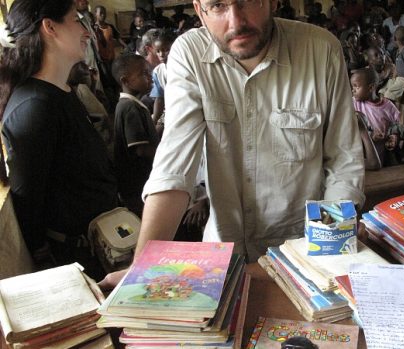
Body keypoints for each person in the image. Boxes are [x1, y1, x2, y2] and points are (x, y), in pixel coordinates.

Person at [99, 0, 364, 288]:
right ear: (199, 10)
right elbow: (174, 167)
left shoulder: (321, 50)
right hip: (222, 262)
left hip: (303, 257)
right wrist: (141, 270)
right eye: (218, 6)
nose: (236, 21)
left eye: (248, 1)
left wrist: (327, 252)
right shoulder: (190, 54)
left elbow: (343, 160)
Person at [0, 0, 117, 279]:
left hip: (102, 243)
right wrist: (45, 257)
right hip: (76, 259)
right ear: (50, 27)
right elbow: (29, 198)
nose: (86, 31)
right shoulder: (34, 106)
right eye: (76, 21)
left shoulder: (62, 91)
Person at [112, 54, 158, 217]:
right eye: (143, 74)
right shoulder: (130, 108)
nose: (150, 77)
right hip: (137, 184)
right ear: (126, 81)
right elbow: (140, 150)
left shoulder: (132, 105)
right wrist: (166, 153)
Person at [351, 67, 400, 167]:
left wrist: (394, 137)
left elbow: (397, 126)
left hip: (382, 151)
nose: (353, 90)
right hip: (362, 155)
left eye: (356, 87)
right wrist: (370, 135)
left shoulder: (388, 106)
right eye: (352, 87)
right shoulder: (354, 103)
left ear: (371, 88)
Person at [149, 29, 177, 137]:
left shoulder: (184, 68)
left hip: (187, 109)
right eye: (158, 51)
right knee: (157, 133)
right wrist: (155, 119)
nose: (161, 54)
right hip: (169, 110)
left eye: (166, 50)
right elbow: (159, 98)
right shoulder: (158, 71)